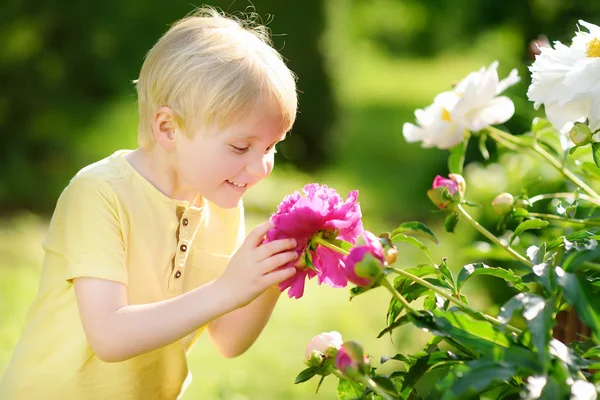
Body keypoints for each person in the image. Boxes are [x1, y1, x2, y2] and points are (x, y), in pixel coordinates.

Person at [0, 6, 299, 400]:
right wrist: (226, 289)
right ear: (168, 128)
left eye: (272, 146)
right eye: (241, 146)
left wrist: (275, 274)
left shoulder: (223, 204)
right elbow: (109, 335)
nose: (261, 167)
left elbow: (228, 341)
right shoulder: (99, 194)